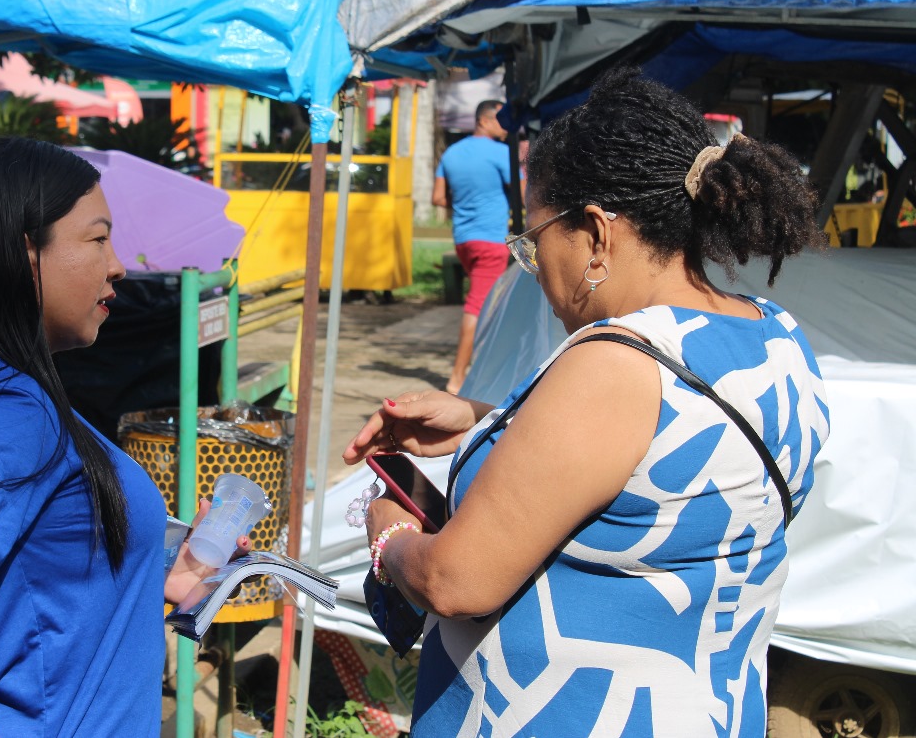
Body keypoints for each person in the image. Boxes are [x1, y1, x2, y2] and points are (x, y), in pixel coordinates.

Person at [345, 69, 830, 737]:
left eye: (536, 239)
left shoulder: (615, 363)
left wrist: (389, 527)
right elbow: (666, 469)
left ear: (597, 234)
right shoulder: (774, 334)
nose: (536, 266)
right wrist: (485, 422)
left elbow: (454, 581)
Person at [0, 137, 243, 738]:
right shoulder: (7, 407)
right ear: (23, 256)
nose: (118, 264)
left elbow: (34, 585)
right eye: (97, 239)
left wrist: (152, 579)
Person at [433, 99, 512, 394]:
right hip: (491, 240)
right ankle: (456, 378)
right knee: (477, 306)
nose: (507, 126)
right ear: (485, 121)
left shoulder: (450, 153)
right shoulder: (502, 153)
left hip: (464, 239)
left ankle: (478, 368)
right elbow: (525, 191)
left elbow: (439, 198)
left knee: (484, 302)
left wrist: (467, 202)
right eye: (502, 119)